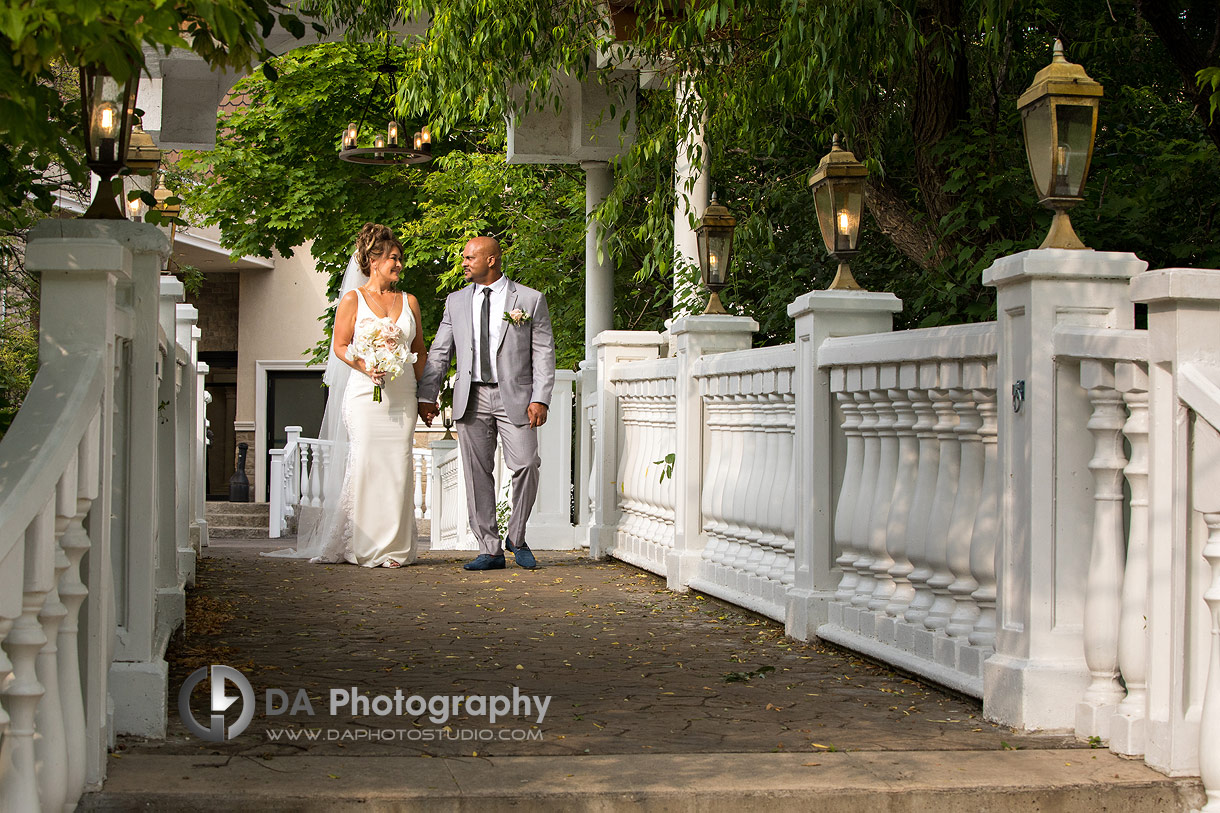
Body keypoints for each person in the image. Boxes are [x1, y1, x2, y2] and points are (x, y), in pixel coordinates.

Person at [266, 223, 427, 567]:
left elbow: (420, 351)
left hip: (403, 395)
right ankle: (362, 545)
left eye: (400, 259)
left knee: (399, 466)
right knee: (368, 463)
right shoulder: (353, 300)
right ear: (373, 259)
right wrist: (367, 365)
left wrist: (426, 395)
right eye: (394, 259)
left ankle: (394, 549)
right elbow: (340, 346)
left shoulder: (409, 300)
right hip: (364, 393)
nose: (399, 264)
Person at [418, 236, 556, 570]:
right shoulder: (455, 302)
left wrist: (541, 397)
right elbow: (440, 352)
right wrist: (427, 395)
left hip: (517, 397)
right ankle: (490, 549)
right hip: (471, 397)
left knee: (526, 464)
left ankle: (516, 537)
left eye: (469, 258)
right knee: (477, 474)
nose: (463, 262)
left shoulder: (530, 300)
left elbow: (543, 352)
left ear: (491, 260)